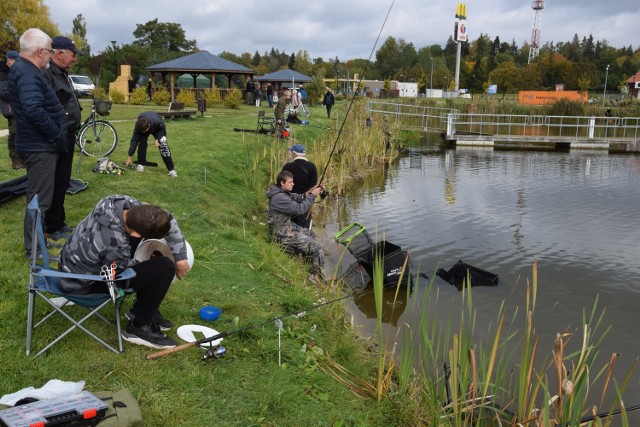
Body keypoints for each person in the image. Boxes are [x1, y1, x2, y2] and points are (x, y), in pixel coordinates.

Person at [59, 195, 191, 349]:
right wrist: (150, 263)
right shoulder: (115, 242)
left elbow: (168, 217)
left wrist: (181, 258)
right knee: (164, 268)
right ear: (136, 234)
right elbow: (120, 271)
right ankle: (139, 327)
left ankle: (140, 309)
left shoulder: (122, 204)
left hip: (74, 264)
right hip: (82, 283)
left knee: (155, 266)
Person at [8, 28, 67, 259]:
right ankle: (34, 251)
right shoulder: (28, 73)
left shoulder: (24, 69)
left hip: (38, 144)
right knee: (38, 201)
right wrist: (54, 134)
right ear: (41, 51)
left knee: (41, 198)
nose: (50, 56)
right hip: (39, 146)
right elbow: (33, 109)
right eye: (50, 52)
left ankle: (38, 242)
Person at [43, 36, 84, 241]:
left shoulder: (63, 74)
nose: (75, 58)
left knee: (63, 182)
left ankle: (58, 222)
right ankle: (50, 225)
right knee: (55, 182)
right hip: (56, 137)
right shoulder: (48, 74)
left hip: (67, 136)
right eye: (73, 54)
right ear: (59, 53)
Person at [266, 170, 325, 277]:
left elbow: (300, 197)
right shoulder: (279, 197)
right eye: (290, 182)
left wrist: (313, 190)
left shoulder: (281, 192)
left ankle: (308, 264)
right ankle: (316, 275)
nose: (293, 184)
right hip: (281, 234)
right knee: (317, 246)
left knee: (311, 234)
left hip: (286, 227)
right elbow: (299, 209)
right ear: (282, 183)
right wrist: (312, 196)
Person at [125, 111, 177, 177]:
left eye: (145, 131)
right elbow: (134, 140)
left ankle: (171, 170)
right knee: (142, 143)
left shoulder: (157, 122)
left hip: (158, 129)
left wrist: (157, 139)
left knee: (163, 146)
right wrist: (129, 156)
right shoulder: (138, 125)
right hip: (146, 125)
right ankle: (141, 164)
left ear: (148, 126)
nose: (144, 132)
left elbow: (163, 129)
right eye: (142, 131)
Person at [281, 143, 318, 229]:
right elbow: (313, 187)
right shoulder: (312, 167)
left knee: (289, 227)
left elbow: (281, 185)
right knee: (305, 228)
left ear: (294, 153)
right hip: (306, 202)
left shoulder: (287, 166)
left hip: (289, 202)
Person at [0, 50, 23, 169]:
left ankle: (22, 159)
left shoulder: (16, 72)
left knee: (22, 133)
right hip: (10, 108)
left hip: (19, 107)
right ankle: (15, 160)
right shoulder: (3, 73)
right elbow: (4, 92)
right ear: (9, 60)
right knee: (14, 133)